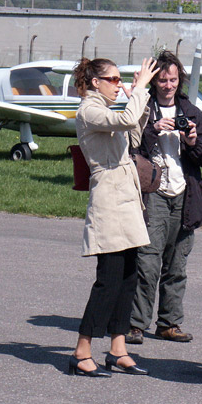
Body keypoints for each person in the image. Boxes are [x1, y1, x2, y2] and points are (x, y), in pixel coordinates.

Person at [70, 56, 158, 377]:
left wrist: (137, 95)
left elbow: (132, 134)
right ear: (96, 82)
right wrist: (140, 90)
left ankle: (118, 347)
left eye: (121, 80)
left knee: (129, 276)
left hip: (127, 196)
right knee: (108, 278)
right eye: (114, 79)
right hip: (109, 197)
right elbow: (122, 121)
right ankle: (82, 349)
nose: (118, 85)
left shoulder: (110, 109)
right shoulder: (88, 109)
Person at [125, 50, 202, 344]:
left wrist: (191, 142)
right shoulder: (143, 110)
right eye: (163, 80)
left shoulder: (192, 113)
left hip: (185, 195)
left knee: (177, 264)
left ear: (181, 80)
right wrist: (153, 129)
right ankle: (136, 323)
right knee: (147, 262)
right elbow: (130, 148)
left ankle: (169, 322)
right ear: (154, 82)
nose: (168, 85)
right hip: (153, 194)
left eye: (173, 79)